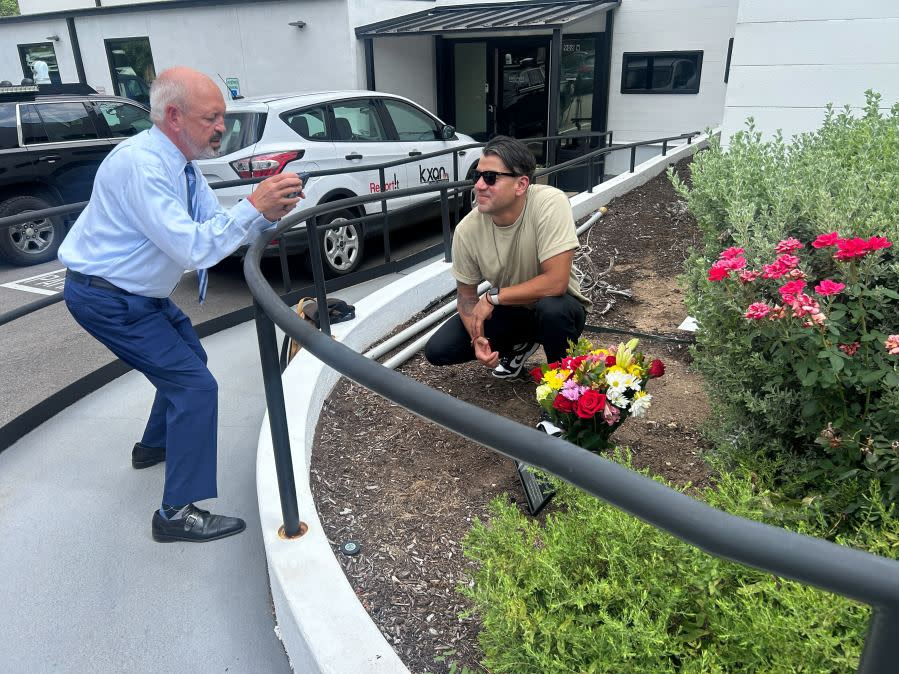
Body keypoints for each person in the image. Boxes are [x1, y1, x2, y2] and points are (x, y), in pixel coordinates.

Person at [58, 66, 303, 543]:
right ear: (174, 116)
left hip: (133, 295)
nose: (221, 128)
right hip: (108, 297)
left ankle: (153, 445)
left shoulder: (181, 166)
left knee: (190, 358)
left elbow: (214, 226)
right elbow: (193, 249)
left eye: (222, 118)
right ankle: (174, 514)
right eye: (212, 117)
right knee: (195, 388)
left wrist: (266, 212)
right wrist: (254, 206)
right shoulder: (142, 166)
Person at [424, 136, 590, 419]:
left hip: (560, 307)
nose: (479, 185)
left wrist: (492, 297)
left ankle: (564, 396)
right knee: (439, 350)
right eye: (478, 176)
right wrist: (478, 338)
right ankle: (520, 345)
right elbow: (465, 297)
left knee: (552, 309)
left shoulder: (548, 203)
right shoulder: (468, 230)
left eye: (490, 177)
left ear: (521, 184)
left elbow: (556, 282)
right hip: (513, 311)